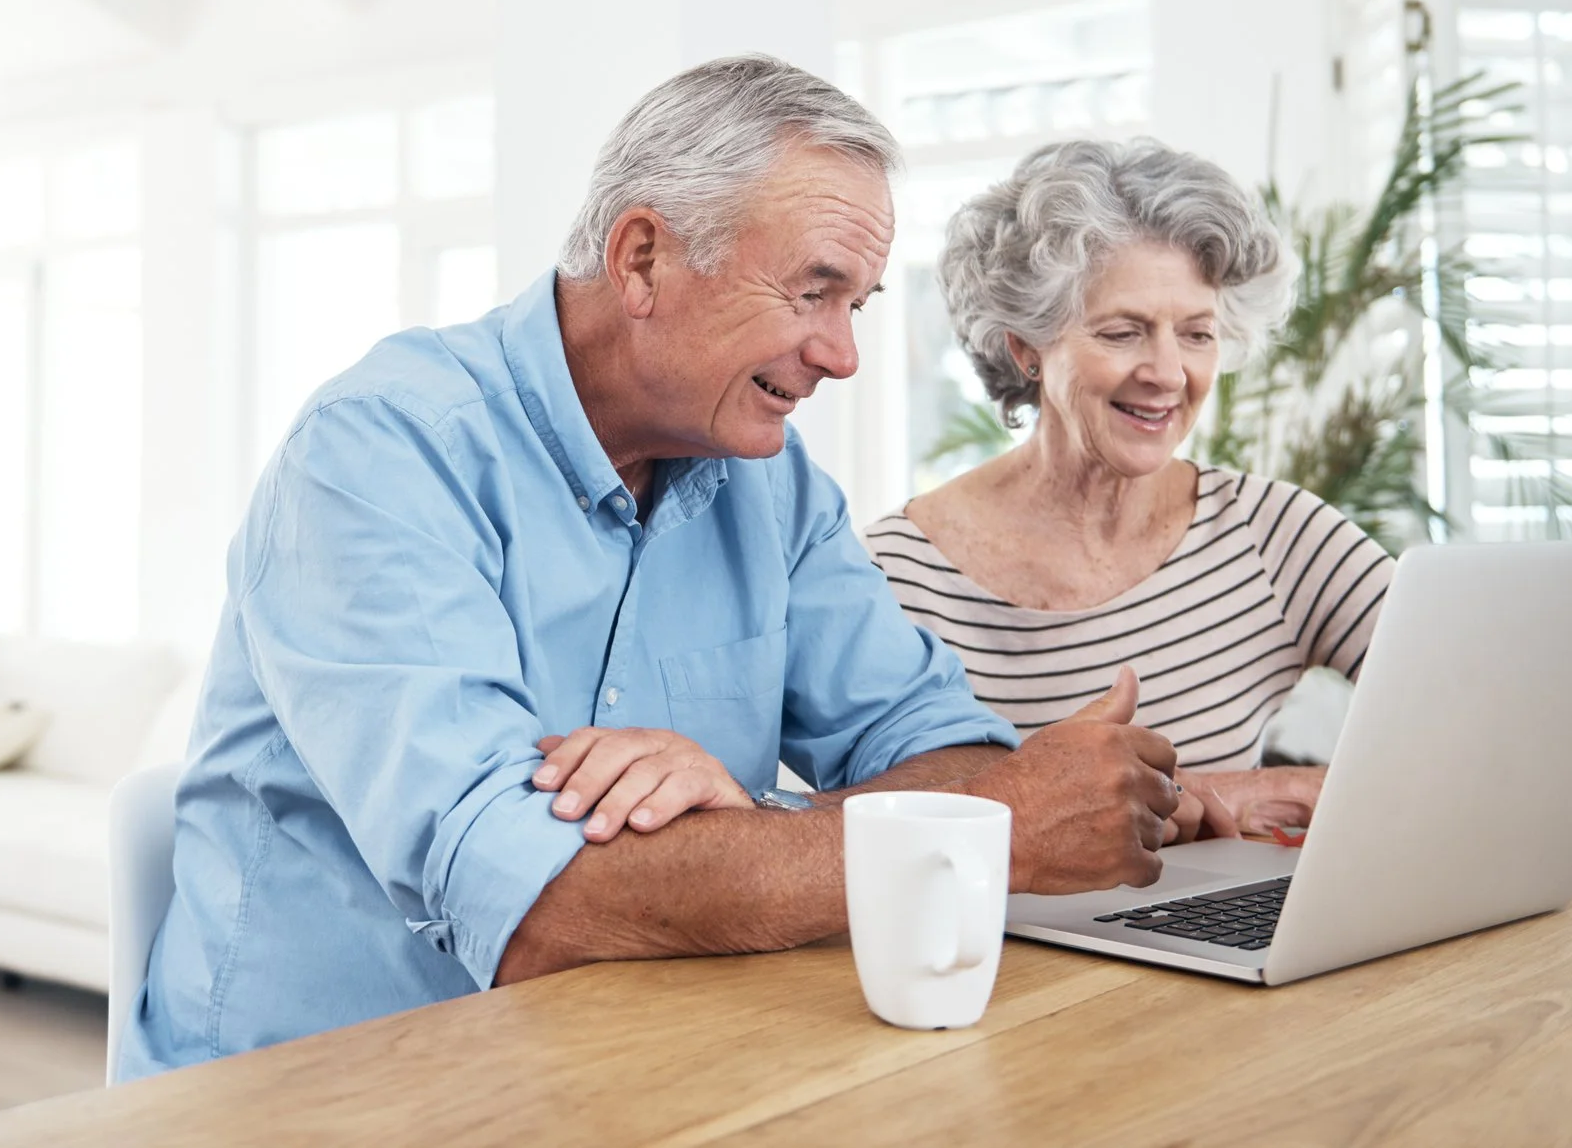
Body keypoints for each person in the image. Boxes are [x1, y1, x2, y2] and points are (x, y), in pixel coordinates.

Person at [118, 59, 1184, 1076]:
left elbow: (945, 754)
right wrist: (984, 829)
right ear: (641, 260)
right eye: (813, 291)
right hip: (320, 1094)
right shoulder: (381, 454)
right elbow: (541, 906)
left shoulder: (767, 478)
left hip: (621, 1065)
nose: (842, 354)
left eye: (854, 305)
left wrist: (761, 817)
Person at [863, 136, 1572, 847]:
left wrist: (1291, 790)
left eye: (1197, 333)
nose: (1169, 373)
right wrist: (1183, 799)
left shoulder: (1273, 535)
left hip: (1230, 977)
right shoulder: (896, 570)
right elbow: (866, 840)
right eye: (1123, 330)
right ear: (1025, 347)